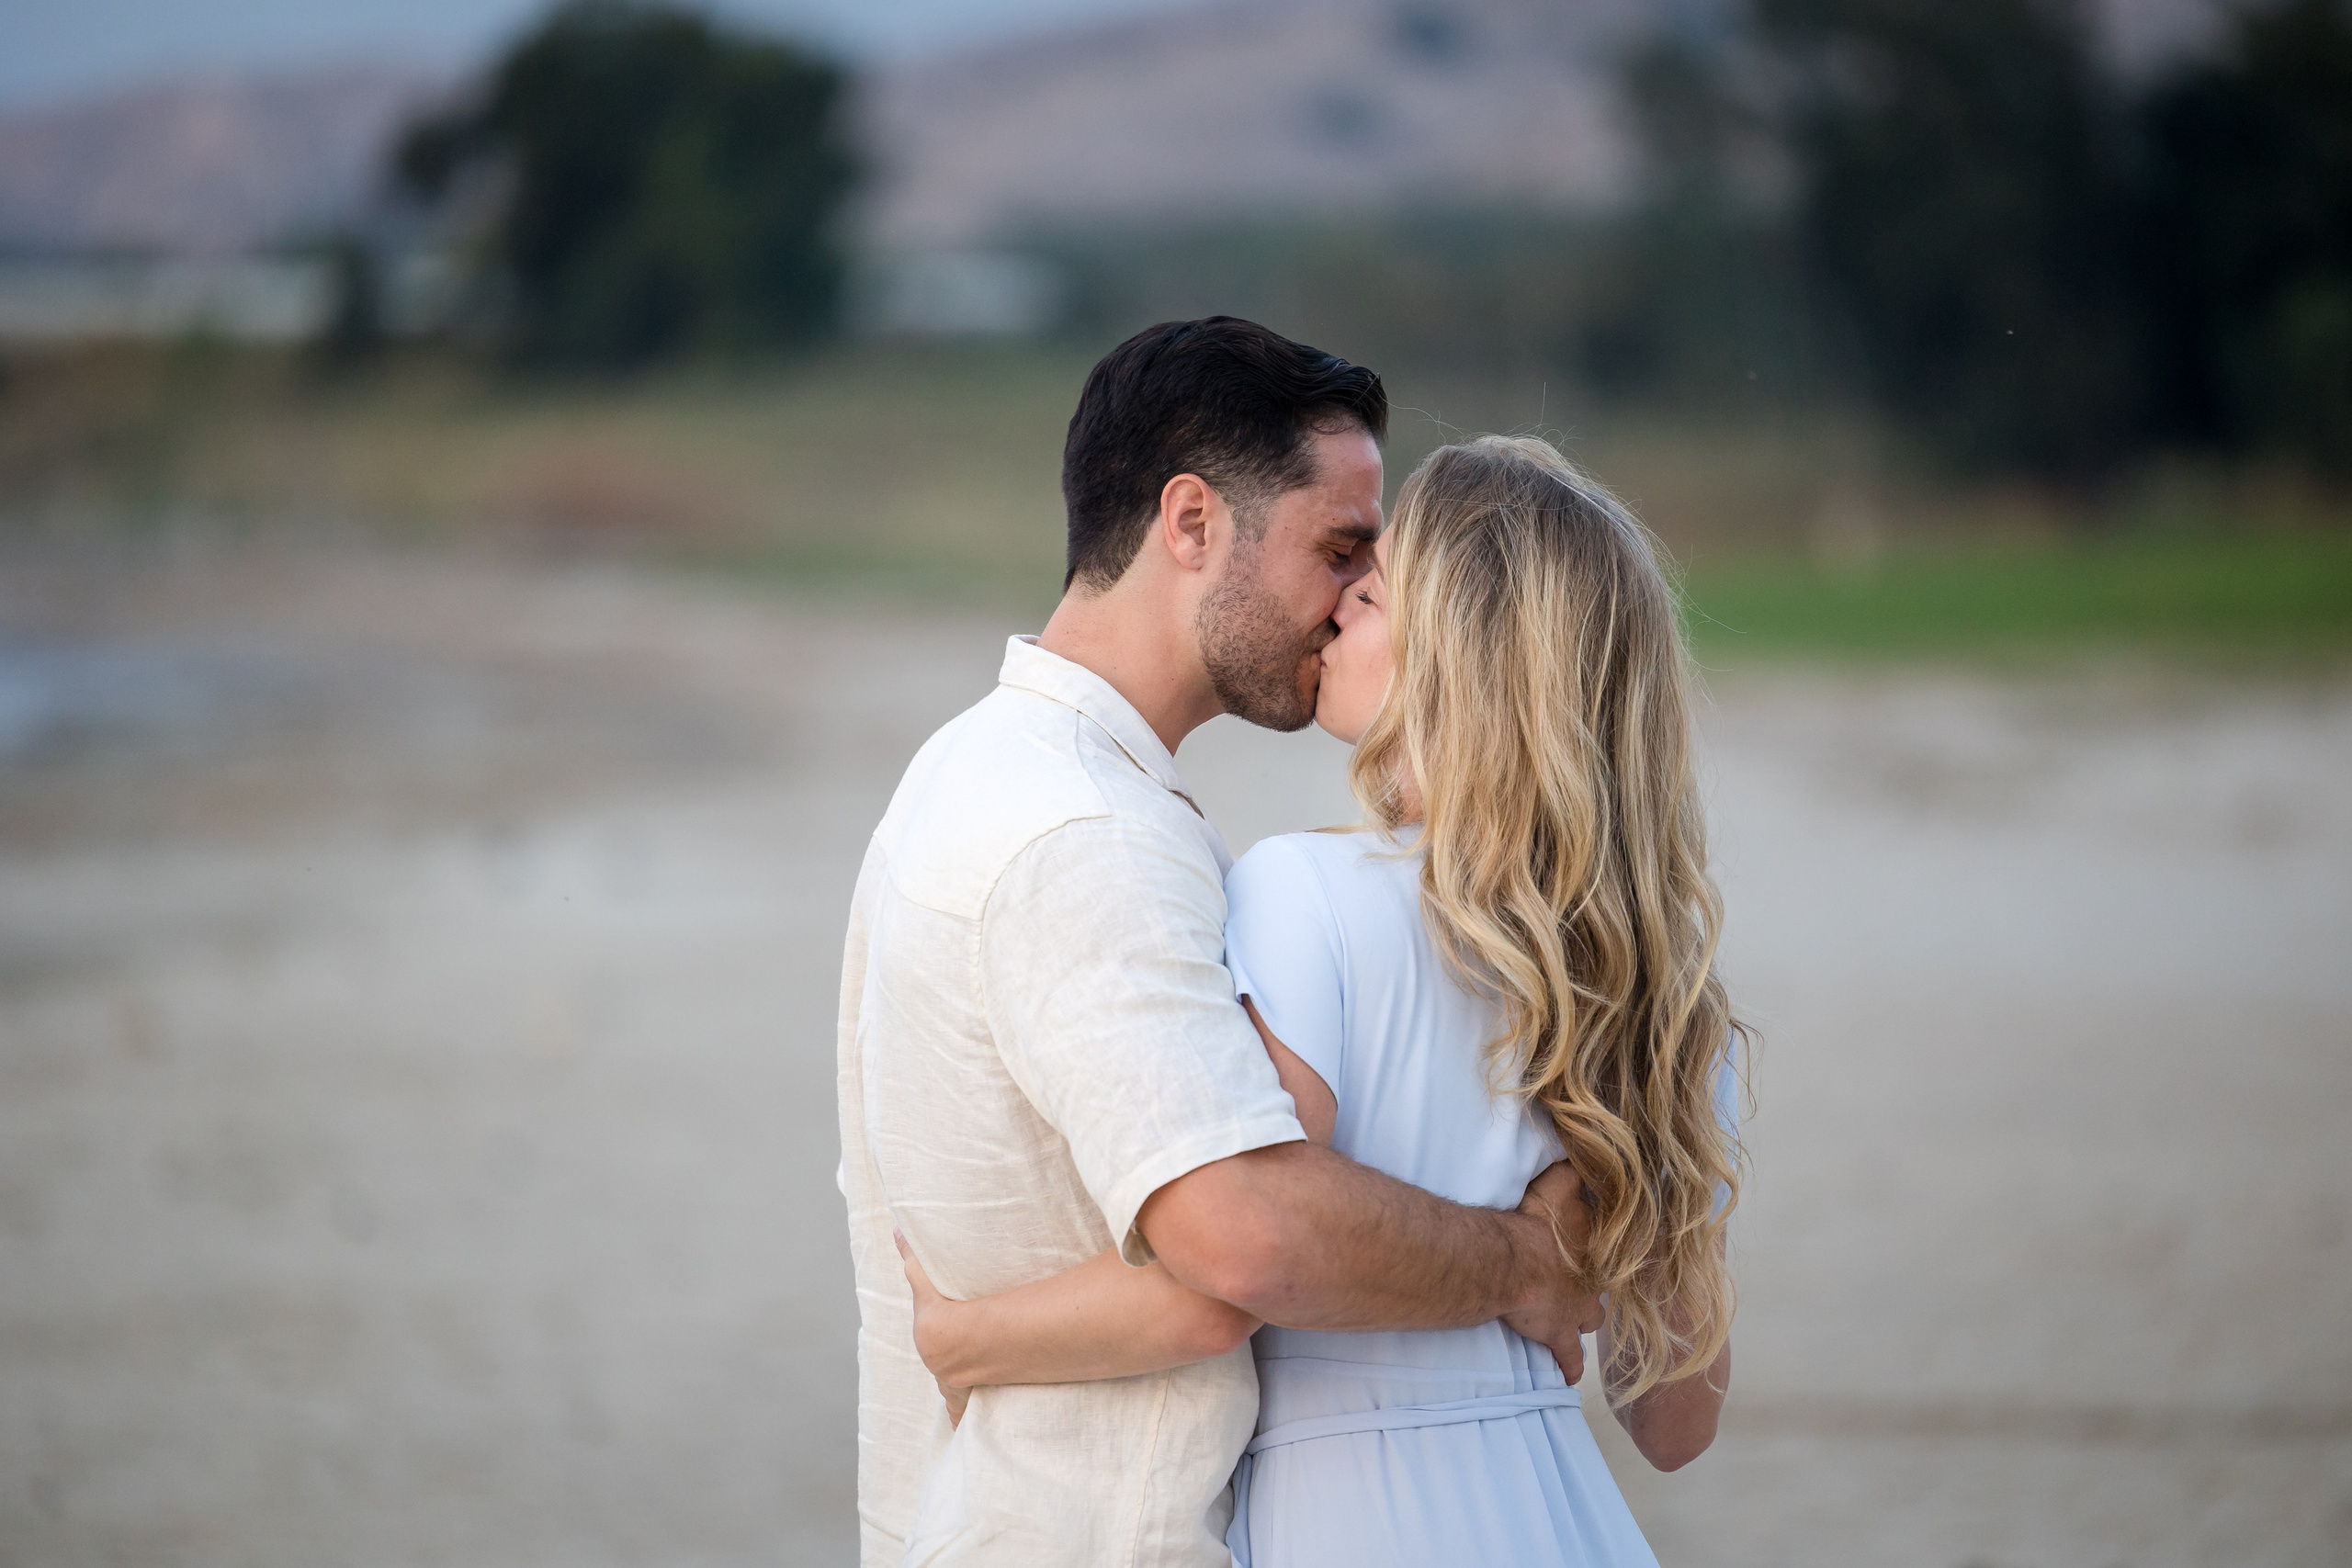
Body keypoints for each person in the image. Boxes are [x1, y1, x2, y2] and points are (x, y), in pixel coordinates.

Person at [894, 434, 1747, 1567]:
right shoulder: (1661, 995)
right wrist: (1573, 1249)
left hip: (1354, 1517)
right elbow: (1675, 1422)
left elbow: (1222, 1282)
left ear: (1459, 658)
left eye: (1376, 589)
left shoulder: (1309, 898)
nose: (1339, 610)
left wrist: (960, 1339)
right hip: (1565, 1517)